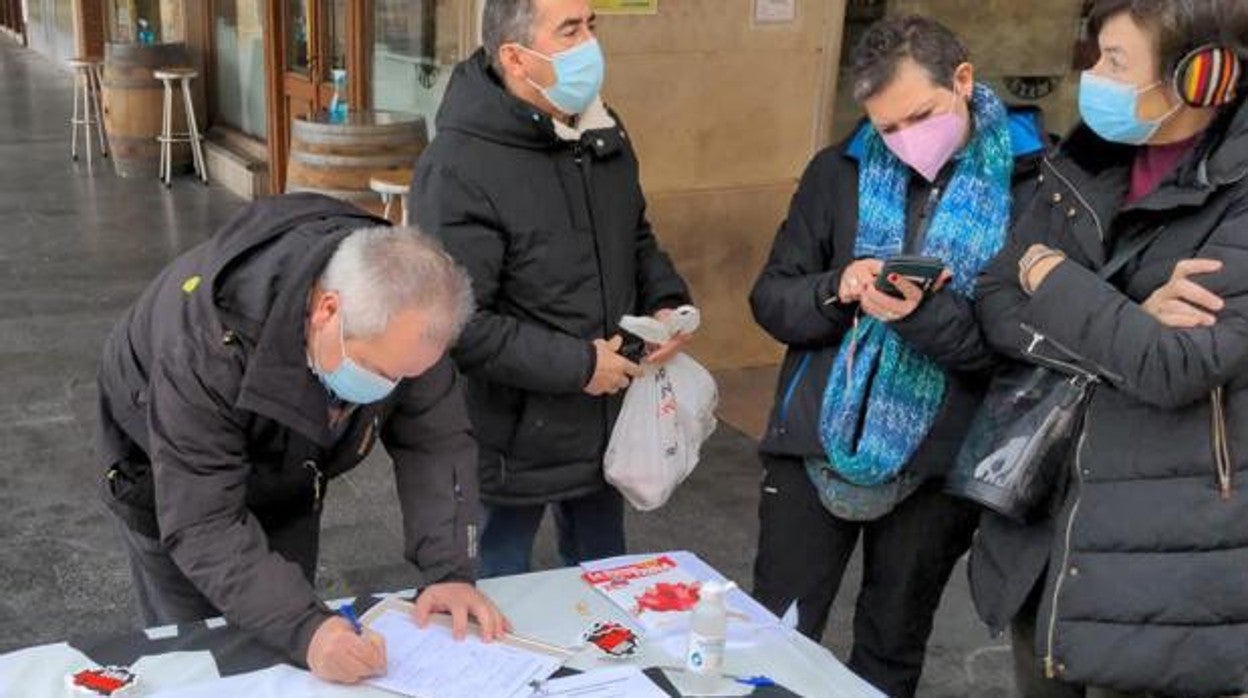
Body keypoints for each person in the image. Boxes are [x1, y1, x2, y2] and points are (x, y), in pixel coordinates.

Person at [748, 15, 1048, 697]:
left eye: (921, 115)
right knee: (774, 637)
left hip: (939, 462)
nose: (907, 140)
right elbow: (771, 299)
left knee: (891, 644)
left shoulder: (1034, 187)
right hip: (814, 441)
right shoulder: (838, 170)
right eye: (887, 129)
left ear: (963, 80)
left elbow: (1015, 352)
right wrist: (838, 287)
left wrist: (922, 315)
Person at [96, 193, 509, 685]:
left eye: (405, 375)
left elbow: (436, 442)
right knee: (199, 652)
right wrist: (307, 630)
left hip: (290, 464)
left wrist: (449, 573)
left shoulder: (406, 321)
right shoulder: (203, 349)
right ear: (327, 310)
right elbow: (203, 523)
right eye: (379, 371)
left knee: (290, 636)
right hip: (166, 472)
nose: (389, 388)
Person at [971, 1, 1248, 695]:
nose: (1093, 76)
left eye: (1116, 62)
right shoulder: (1085, 162)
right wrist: (1125, 316)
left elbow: (1177, 365)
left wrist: (1059, 281)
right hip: (1048, 532)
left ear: (1204, 75)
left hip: (1165, 564)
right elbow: (999, 300)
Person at [412, 0, 693, 578]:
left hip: (605, 429)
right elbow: (456, 322)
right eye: (570, 29)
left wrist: (666, 302)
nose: (591, 43)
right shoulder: (458, 165)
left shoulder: (601, 130)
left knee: (607, 593)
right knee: (498, 598)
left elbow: (633, 235)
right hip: (510, 442)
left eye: (592, 24)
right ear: (516, 57)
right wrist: (579, 366)